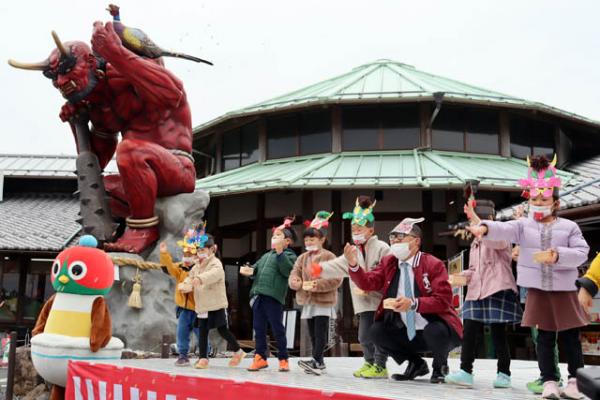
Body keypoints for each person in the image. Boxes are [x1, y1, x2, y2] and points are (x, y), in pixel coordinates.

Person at [468, 155, 589, 400]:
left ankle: (576, 381)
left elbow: (581, 253)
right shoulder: (523, 225)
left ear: (555, 203)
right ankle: (549, 381)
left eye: (544, 199)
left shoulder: (569, 227)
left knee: (570, 336)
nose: (538, 203)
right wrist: (485, 228)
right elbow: (503, 228)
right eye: (534, 199)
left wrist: (557, 256)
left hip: (564, 289)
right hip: (537, 289)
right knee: (544, 337)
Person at [341, 217, 462, 384]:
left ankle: (440, 367)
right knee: (376, 331)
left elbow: (443, 300)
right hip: (406, 330)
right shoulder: (389, 262)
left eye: (400, 237)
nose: (395, 241)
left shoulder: (433, 264)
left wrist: (413, 303)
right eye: (392, 237)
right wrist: (354, 265)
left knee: (435, 329)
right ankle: (416, 364)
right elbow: (368, 282)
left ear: (416, 241)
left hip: (436, 329)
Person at [445, 200, 522, 388]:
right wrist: (459, 276)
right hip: (476, 290)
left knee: (498, 334)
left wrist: (478, 221)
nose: (473, 226)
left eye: (475, 220)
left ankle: (504, 373)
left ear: (489, 220)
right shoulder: (475, 244)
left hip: (496, 287)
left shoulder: (502, 233)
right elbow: (474, 269)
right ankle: (465, 371)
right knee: (469, 329)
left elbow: (494, 241)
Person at [318, 196, 391, 379]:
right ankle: (369, 363)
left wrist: (377, 287)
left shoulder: (383, 248)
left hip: (381, 302)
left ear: (371, 230)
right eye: (353, 228)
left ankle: (380, 366)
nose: (355, 231)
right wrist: (318, 269)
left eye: (359, 228)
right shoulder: (352, 251)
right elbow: (336, 265)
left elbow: (390, 273)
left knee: (378, 335)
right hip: (363, 303)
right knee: (364, 337)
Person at [183, 227, 245, 369]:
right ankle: (203, 358)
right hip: (203, 305)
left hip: (216, 304)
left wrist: (199, 279)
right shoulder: (196, 266)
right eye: (199, 250)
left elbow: (214, 274)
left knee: (222, 329)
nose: (201, 253)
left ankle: (238, 351)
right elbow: (190, 277)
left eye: (203, 250)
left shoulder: (216, 263)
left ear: (212, 249)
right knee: (202, 331)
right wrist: (186, 285)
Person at [241, 216, 298, 372]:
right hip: (258, 295)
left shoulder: (290, 255)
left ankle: (283, 358)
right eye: (274, 236)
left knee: (277, 328)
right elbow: (255, 270)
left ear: (288, 241)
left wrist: (280, 254)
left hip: (273, 297)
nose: (274, 238)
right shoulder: (266, 256)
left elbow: (287, 271)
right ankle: (260, 357)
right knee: (258, 328)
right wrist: (249, 271)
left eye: (279, 236)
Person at [289, 211, 342, 375]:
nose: (308, 241)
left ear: (322, 240)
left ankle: (317, 360)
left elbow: (337, 278)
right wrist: (295, 282)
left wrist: (316, 285)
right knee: (312, 332)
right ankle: (319, 362)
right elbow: (294, 273)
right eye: (306, 239)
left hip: (323, 300)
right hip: (308, 300)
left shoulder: (329, 256)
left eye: (312, 239)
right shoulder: (303, 257)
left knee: (320, 332)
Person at [160, 232, 201, 366]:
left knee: (201, 333)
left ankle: (205, 354)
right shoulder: (180, 268)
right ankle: (183, 356)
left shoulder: (201, 269)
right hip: (183, 308)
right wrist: (165, 254)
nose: (186, 258)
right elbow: (169, 268)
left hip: (199, 308)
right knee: (182, 333)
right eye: (185, 255)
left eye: (190, 255)